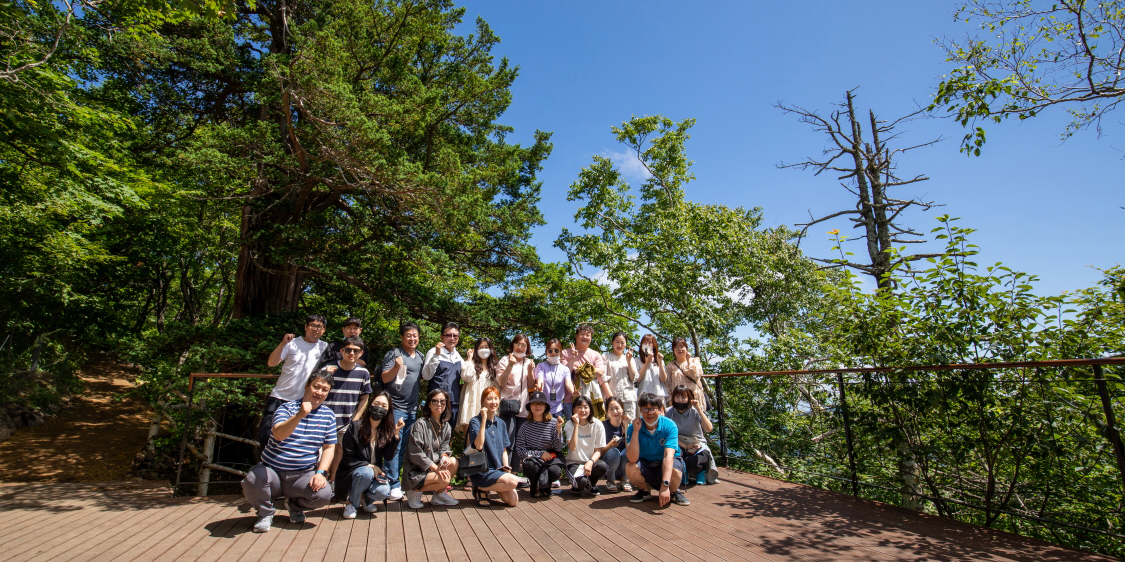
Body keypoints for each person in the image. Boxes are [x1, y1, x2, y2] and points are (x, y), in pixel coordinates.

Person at [242, 369, 337, 533]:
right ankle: (265, 513)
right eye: (316, 387)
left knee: (324, 494)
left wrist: (321, 472)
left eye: (324, 390)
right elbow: (278, 434)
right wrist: (299, 415)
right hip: (273, 473)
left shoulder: (328, 415)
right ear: (307, 385)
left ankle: (293, 506)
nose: (319, 392)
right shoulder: (286, 408)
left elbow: (329, 447)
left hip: (302, 475)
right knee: (252, 479)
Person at [261, 314, 329, 446]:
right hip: (280, 397)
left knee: (294, 440)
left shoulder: (325, 347)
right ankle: (264, 464)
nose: (315, 329)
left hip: (303, 401)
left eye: (319, 327)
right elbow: (272, 363)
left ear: (324, 330)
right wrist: (283, 343)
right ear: (306, 327)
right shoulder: (292, 343)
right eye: (313, 325)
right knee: (267, 436)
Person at [336, 392, 406, 519]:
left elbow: (389, 457)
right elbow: (348, 458)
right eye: (376, 404)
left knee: (384, 491)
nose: (379, 408)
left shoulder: (385, 431)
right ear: (370, 405)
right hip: (353, 473)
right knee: (366, 472)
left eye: (384, 406)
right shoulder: (355, 427)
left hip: (374, 474)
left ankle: (368, 501)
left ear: (388, 410)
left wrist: (396, 433)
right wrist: (371, 466)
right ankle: (352, 504)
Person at [380, 322, 425, 501]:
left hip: (412, 408)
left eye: (415, 335)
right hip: (395, 408)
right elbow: (384, 378)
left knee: (405, 447)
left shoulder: (420, 356)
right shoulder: (394, 354)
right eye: (408, 335)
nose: (412, 338)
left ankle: (397, 481)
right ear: (402, 337)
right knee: (393, 445)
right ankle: (393, 484)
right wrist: (396, 367)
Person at [324, 336, 373, 483]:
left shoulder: (363, 373)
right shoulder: (329, 369)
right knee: (321, 452)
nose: (351, 353)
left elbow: (365, 397)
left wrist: (356, 418)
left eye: (356, 351)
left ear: (361, 353)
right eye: (348, 350)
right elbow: (313, 389)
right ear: (341, 351)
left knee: (341, 451)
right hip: (325, 419)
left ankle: (333, 481)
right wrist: (325, 375)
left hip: (347, 420)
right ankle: (320, 479)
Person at [626, 392, 689, 507]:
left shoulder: (670, 426)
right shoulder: (634, 426)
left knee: (675, 470)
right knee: (630, 467)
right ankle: (644, 490)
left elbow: (668, 455)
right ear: (641, 410)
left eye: (653, 409)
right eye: (645, 409)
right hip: (646, 464)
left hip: (665, 463)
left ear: (660, 409)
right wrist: (635, 431)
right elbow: (632, 458)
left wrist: (665, 485)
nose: (649, 413)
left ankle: (674, 491)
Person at [403, 388, 459, 509]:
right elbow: (415, 452)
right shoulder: (420, 424)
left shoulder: (446, 426)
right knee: (444, 479)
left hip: (433, 468)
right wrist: (436, 468)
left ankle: (439, 495)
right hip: (416, 471)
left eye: (442, 402)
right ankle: (413, 491)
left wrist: (444, 457)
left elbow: (444, 447)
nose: (439, 404)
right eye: (435, 401)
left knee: (453, 462)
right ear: (429, 404)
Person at [466, 386, 522, 507]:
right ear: (483, 402)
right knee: (513, 481)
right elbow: (478, 445)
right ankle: (480, 487)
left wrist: (505, 467)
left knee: (513, 501)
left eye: (496, 398)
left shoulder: (501, 423)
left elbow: (504, 450)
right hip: (481, 471)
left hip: (497, 470)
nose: (493, 402)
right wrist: (484, 420)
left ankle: (483, 489)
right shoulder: (475, 421)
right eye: (489, 399)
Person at [513, 390, 565, 498]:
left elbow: (558, 448)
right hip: (533, 459)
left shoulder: (554, 423)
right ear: (530, 407)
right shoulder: (525, 427)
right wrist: (540, 454)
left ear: (545, 407)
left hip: (551, 458)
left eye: (541, 403)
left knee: (554, 470)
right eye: (534, 403)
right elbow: (520, 451)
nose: (537, 406)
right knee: (530, 466)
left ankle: (546, 486)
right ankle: (534, 485)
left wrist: (558, 430)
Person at [667, 384, 718, 486]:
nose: (680, 400)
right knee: (674, 456)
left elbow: (709, 428)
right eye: (677, 397)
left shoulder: (694, 411)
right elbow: (668, 434)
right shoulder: (669, 412)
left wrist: (699, 409)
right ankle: (683, 473)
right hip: (679, 443)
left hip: (696, 443)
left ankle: (700, 471)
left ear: (689, 399)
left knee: (692, 461)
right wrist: (685, 446)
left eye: (683, 397)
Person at [496, 334, 536, 449]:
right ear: (513, 345)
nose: (520, 347)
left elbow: (531, 385)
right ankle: (505, 466)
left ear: (527, 348)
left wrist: (530, 371)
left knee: (520, 443)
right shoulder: (505, 360)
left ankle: (516, 467)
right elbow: (501, 382)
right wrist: (510, 365)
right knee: (508, 442)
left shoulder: (528, 362)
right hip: (508, 406)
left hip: (523, 407)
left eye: (523, 345)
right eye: (517, 344)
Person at [564, 395, 608, 496]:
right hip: (574, 462)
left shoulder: (597, 424)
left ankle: (592, 483)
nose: (582, 410)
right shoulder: (569, 424)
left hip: (590, 462)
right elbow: (573, 447)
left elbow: (598, 450)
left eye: (585, 407)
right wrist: (576, 424)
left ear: (590, 409)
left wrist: (590, 462)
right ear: (574, 409)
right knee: (580, 484)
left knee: (603, 466)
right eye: (579, 407)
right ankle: (581, 484)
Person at [422, 322, 465, 426]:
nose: (452, 338)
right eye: (448, 335)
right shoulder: (433, 352)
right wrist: (436, 355)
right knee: (433, 435)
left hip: (453, 403)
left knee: (448, 435)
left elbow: (466, 376)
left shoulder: (458, 356)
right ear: (441, 337)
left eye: (455, 336)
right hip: (437, 403)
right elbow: (426, 375)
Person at [561, 324, 607, 420]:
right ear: (576, 336)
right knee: (573, 429)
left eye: (588, 335)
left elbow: (600, 372)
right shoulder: (565, 353)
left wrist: (579, 369)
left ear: (591, 337)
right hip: (570, 399)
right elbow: (564, 372)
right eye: (582, 334)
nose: (585, 337)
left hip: (591, 399)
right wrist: (573, 359)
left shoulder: (596, 355)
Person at [457, 337, 499, 432]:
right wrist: (469, 358)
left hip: (489, 404)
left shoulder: (495, 367)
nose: (484, 349)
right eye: (481, 347)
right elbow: (466, 376)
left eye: (486, 347)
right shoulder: (471, 364)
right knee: (470, 435)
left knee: (488, 436)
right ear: (476, 349)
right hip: (472, 403)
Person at [602, 332, 639, 419]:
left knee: (629, 425)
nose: (619, 345)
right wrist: (610, 396)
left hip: (628, 398)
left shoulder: (630, 359)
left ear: (626, 344)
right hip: (612, 397)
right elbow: (603, 377)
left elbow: (633, 378)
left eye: (622, 342)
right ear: (612, 342)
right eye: (617, 342)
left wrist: (629, 361)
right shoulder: (606, 357)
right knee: (612, 425)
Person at [665, 337, 707, 411]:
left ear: (686, 349)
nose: (679, 349)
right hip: (678, 400)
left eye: (682, 347)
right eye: (676, 347)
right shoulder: (671, 365)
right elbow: (668, 384)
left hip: (694, 397)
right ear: (673, 350)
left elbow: (696, 376)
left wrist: (688, 361)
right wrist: (670, 400)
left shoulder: (694, 361)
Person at [533, 338, 572, 418]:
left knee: (557, 430)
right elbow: (540, 380)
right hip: (543, 407)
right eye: (550, 351)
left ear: (560, 352)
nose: (553, 353)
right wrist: (540, 388)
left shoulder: (565, 369)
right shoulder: (541, 366)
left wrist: (573, 392)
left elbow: (568, 383)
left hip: (558, 409)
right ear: (546, 352)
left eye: (556, 350)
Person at [600, 396, 632, 492]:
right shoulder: (602, 426)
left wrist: (626, 427)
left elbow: (629, 447)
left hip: (623, 467)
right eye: (611, 409)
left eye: (617, 408)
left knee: (629, 450)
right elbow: (598, 451)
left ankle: (624, 479)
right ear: (606, 411)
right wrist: (610, 445)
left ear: (622, 409)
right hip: (608, 465)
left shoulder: (627, 425)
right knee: (613, 452)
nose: (615, 412)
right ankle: (610, 481)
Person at [634, 334, 668, 407]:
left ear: (654, 345)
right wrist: (647, 363)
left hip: (658, 395)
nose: (647, 345)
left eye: (650, 343)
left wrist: (660, 362)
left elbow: (663, 379)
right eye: (645, 343)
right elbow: (637, 379)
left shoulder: (659, 359)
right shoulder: (637, 360)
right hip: (643, 395)